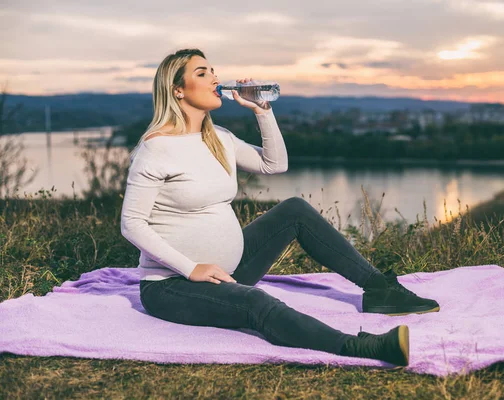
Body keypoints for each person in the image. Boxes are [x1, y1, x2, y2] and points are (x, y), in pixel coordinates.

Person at [120, 48, 440, 367]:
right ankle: (365, 348)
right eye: (202, 73)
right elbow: (132, 224)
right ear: (177, 89)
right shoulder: (156, 148)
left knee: (294, 211)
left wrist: (262, 110)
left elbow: (276, 164)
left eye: (213, 70)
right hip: (173, 286)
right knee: (256, 302)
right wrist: (191, 268)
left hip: (230, 274)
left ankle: (380, 289)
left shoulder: (218, 138)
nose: (215, 78)